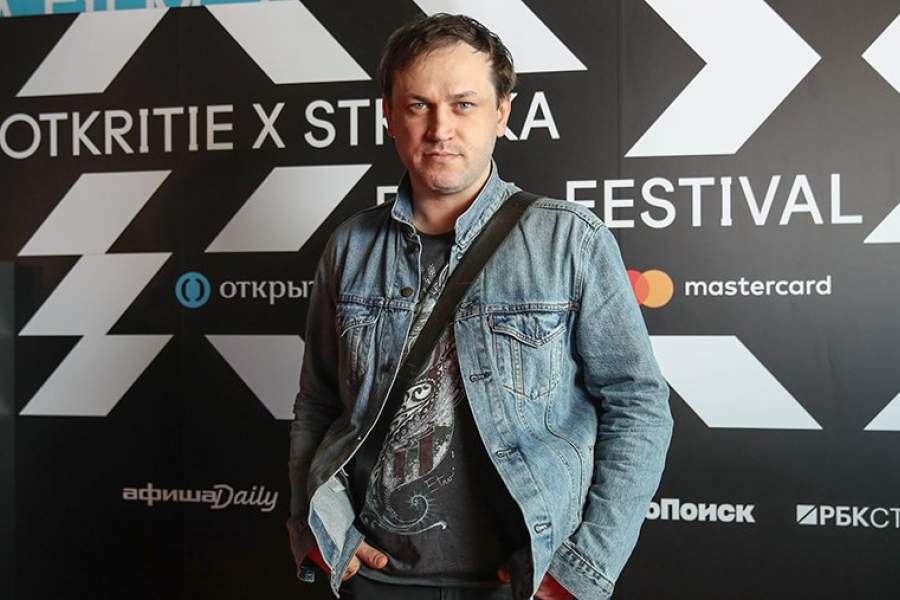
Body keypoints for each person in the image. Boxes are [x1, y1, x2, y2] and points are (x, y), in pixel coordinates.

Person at [287, 13, 673, 600]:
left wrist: (582, 569)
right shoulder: (351, 246)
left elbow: (638, 405)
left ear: (502, 113)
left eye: (463, 104)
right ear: (389, 116)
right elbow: (318, 402)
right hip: (373, 578)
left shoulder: (570, 239)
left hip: (521, 581)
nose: (440, 128)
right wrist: (311, 529)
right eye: (418, 105)